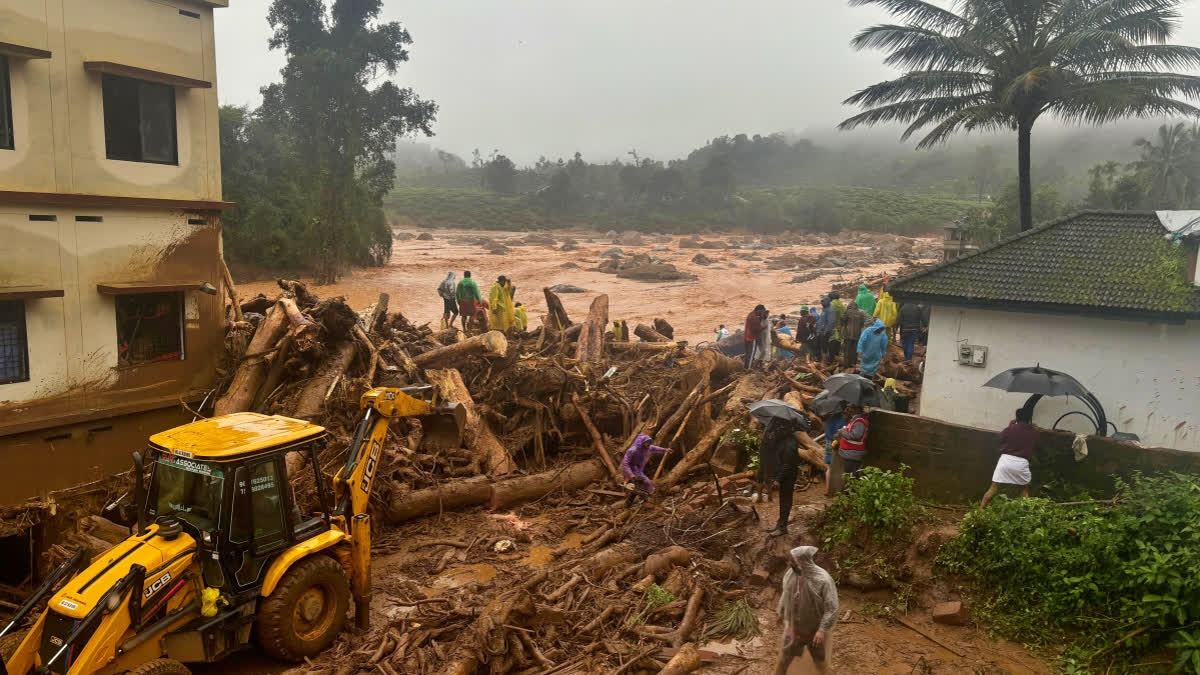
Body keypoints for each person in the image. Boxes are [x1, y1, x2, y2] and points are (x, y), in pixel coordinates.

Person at [776, 546, 839, 675]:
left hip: (814, 631)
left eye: (792, 561)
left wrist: (822, 630)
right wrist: (781, 611)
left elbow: (831, 607)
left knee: (820, 662)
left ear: (802, 561)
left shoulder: (823, 580)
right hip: (794, 629)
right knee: (783, 660)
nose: (789, 564)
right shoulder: (791, 574)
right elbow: (786, 593)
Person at [981, 407, 1039, 507]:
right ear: (1030, 419)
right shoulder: (1034, 432)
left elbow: (999, 439)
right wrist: (1036, 430)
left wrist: (1009, 426)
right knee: (1024, 490)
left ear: (1016, 418)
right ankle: (1028, 512)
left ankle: (980, 510)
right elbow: (1037, 446)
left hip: (1005, 461)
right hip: (1021, 464)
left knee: (993, 488)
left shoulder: (1010, 429)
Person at [758, 417, 801, 536]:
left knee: (785, 500)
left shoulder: (790, 444)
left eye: (778, 429)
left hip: (788, 475)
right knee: (783, 500)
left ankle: (782, 527)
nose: (775, 431)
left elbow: (787, 465)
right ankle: (780, 525)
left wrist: (778, 480)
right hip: (783, 473)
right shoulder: (784, 440)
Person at [620, 434, 670, 507]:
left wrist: (665, 450)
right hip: (630, 471)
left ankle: (629, 504)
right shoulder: (632, 450)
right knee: (646, 483)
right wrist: (631, 475)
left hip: (638, 470)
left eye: (650, 442)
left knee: (638, 487)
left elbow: (655, 448)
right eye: (647, 442)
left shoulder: (648, 448)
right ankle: (647, 501)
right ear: (642, 442)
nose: (649, 444)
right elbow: (625, 463)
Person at [835, 404, 869, 483]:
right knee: (852, 475)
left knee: (851, 476)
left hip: (853, 454)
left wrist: (842, 432)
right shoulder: (855, 420)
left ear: (856, 409)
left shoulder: (859, 421)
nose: (848, 410)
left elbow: (855, 435)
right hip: (851, 453)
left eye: (850, 408)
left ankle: (850, 494)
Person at [822, 405, 846, 496]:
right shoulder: (843, 419)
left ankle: (828, 489)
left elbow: (827, 432)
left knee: (829, 467)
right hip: (837, 443)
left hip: (828, 442)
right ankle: (837, 490)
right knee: (838, 467)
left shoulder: (830, 418)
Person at [840, 300, 868, 368]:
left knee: (847, 350)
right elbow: (862, 324)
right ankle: (853, 364)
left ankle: (846, 365)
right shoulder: (860, 313)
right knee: (855, 350)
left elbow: (842, 321)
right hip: (857, 335)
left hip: (848, 335)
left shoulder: (847, 312)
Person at [813, 296, 835, 365]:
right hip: (820, 331)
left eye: (823, 302)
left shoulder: (830, 310)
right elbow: (821, 320)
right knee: (819, 345)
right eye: (821, 302)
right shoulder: (824, 309)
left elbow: (831, 322)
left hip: (825, 332)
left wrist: (826, 331)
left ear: (827, 302)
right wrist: (816, 325)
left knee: (825, 347)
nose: (822, 303)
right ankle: (820, 359)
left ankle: (825, 361)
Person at [829, 291, 846, 363]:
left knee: (831, 342)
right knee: (838, 342)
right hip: (839, 327)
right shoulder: (842, 305)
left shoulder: (830, 304)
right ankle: (837, 358)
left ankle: (831, 359)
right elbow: (844, 316)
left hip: (832, 327)